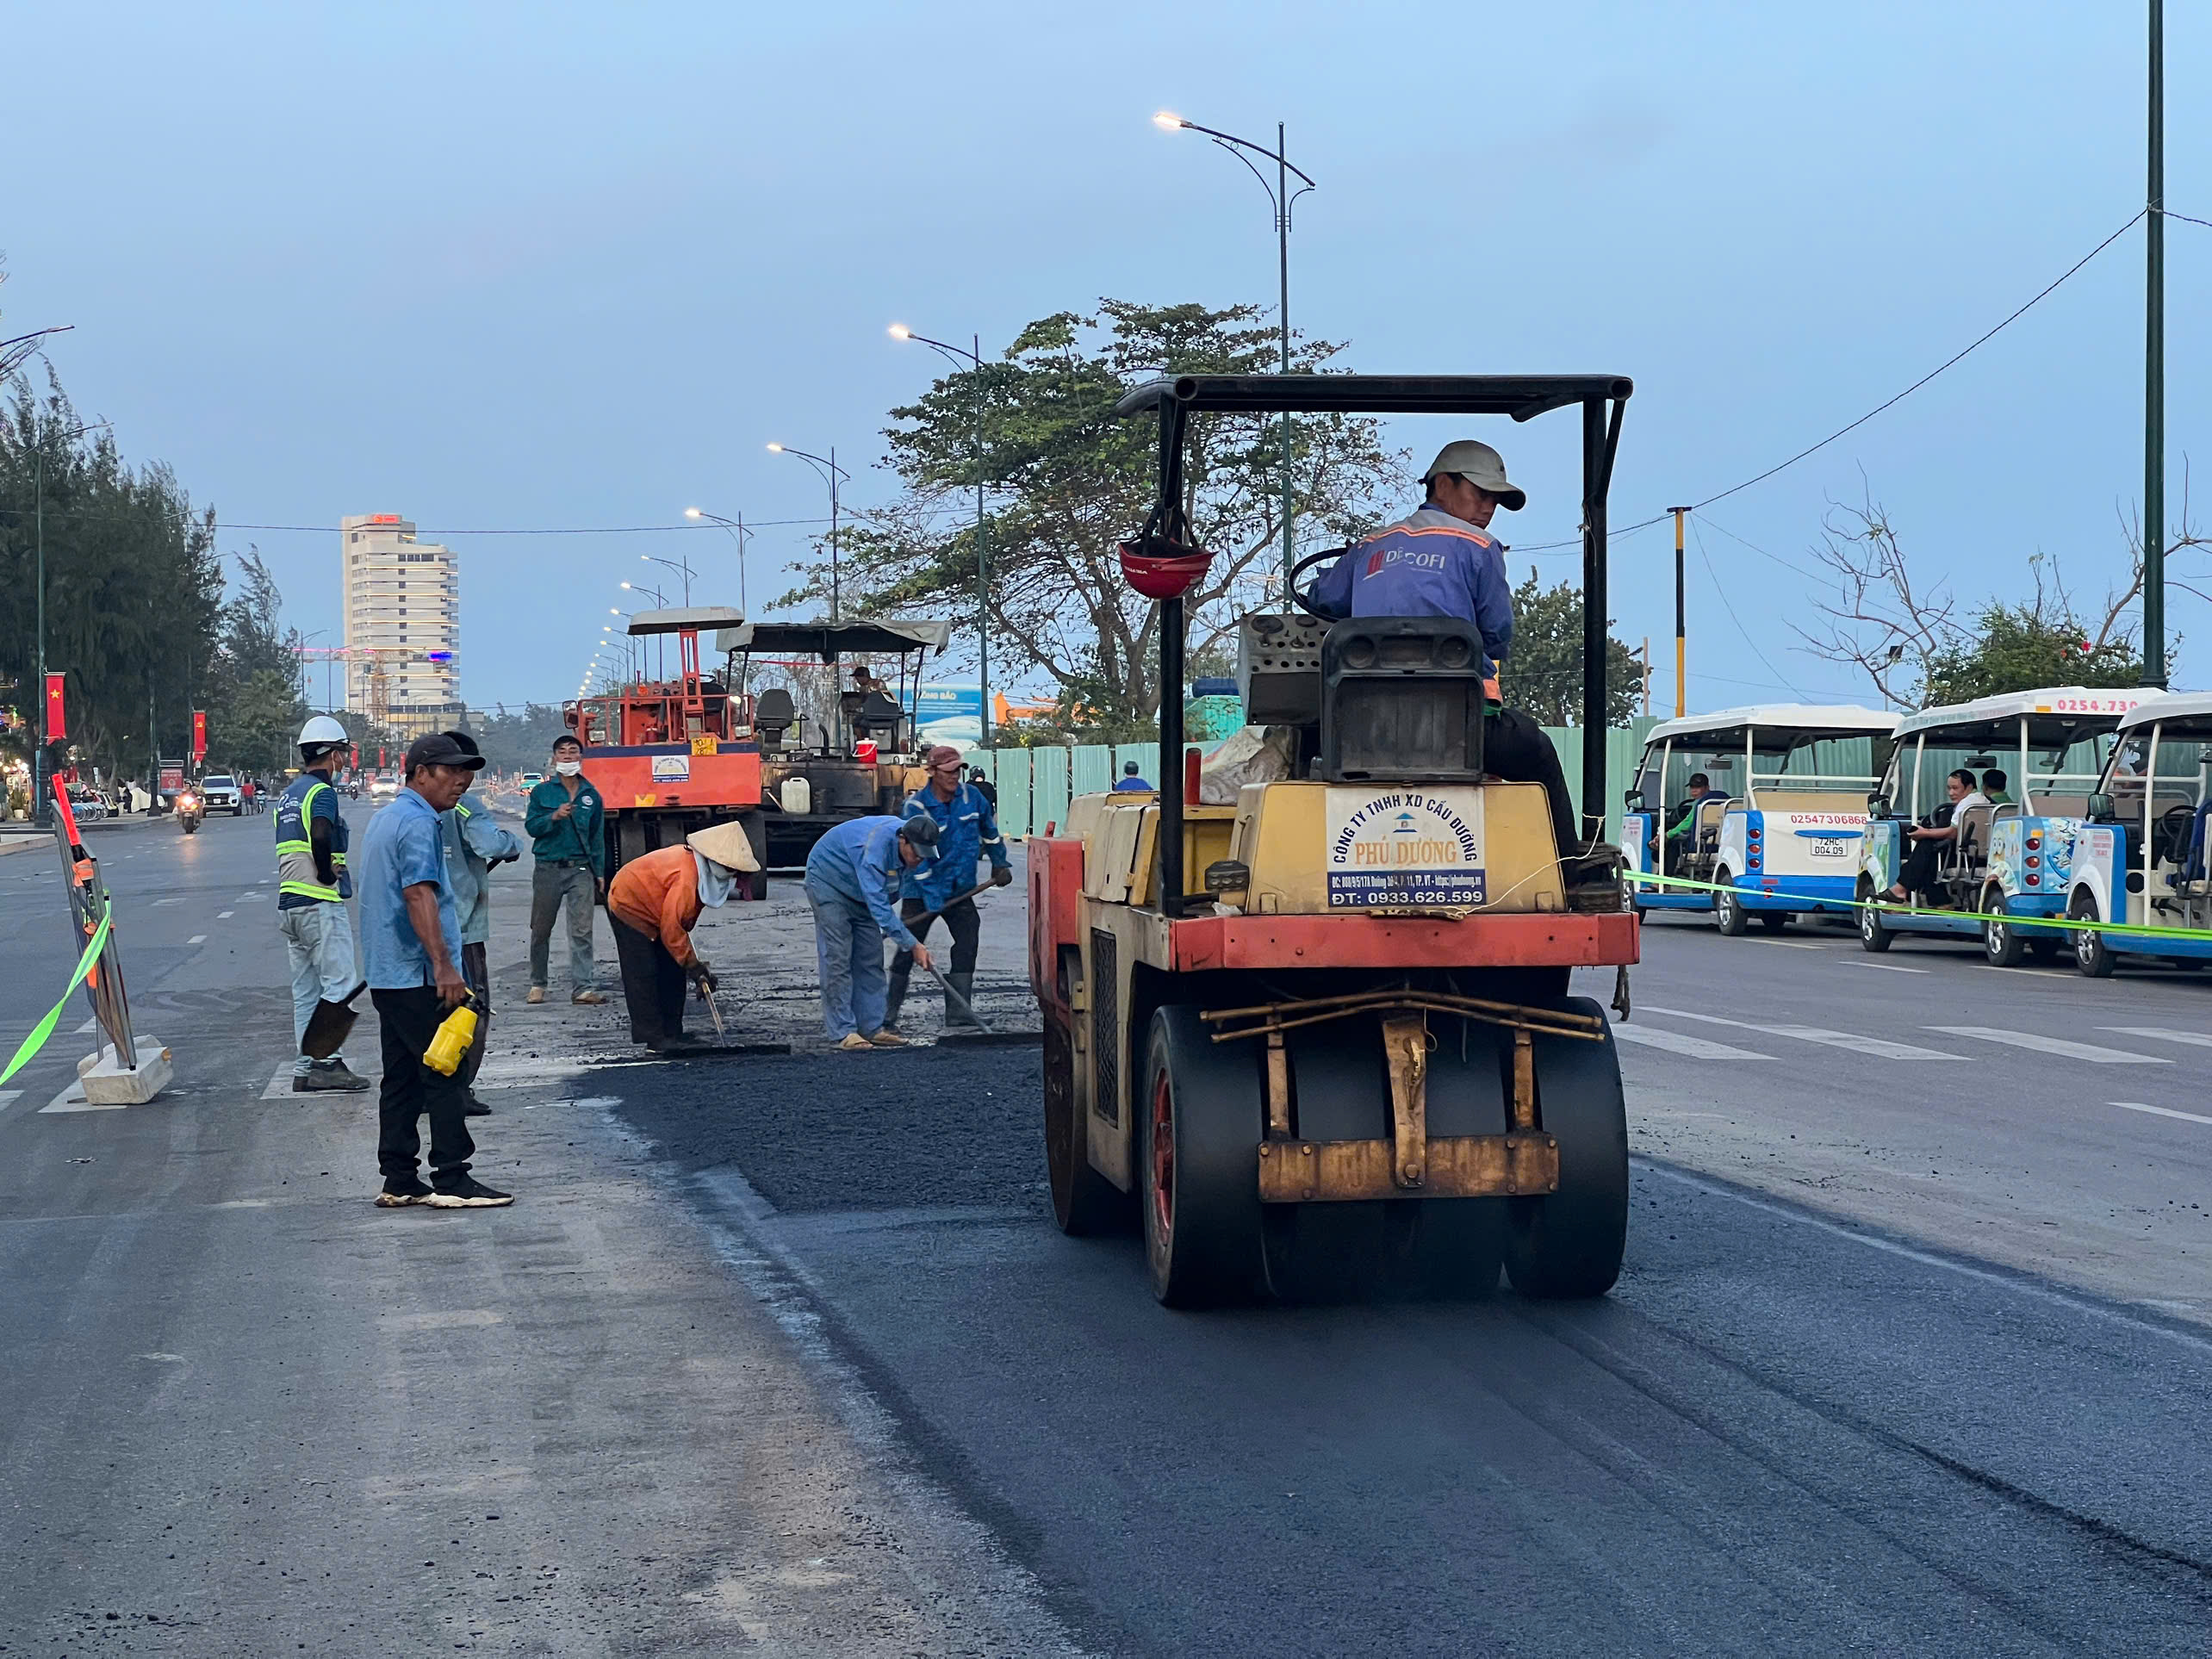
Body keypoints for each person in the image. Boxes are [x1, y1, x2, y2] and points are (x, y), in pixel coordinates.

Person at [1306, 438, 1606, 890]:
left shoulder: (1372, 546)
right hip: (1460, 733)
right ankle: (1568, 872)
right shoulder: (1481, 547)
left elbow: (1322, 598)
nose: (1488, 508)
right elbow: (1498, 637)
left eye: (1495, 501)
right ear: (1442, 484)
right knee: (1538, 752)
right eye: (1480, 494)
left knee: (1301, 739)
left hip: (1364, 733)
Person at [353, 732, 509, 1208]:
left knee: (400, 1078)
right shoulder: (419, 824)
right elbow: (418, 894)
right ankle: (452, 1178)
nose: (461, 780)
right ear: (421, 773)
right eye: (451, 770)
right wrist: (445, 968)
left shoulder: (388, 818)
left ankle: (399, 1178)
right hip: (417, 973)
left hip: (389, 974)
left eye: (467, 772)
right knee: (446, 1070)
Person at [884, 746, 1012, 1035]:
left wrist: (1000, 863)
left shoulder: (972, 798)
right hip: (921, 890)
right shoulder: (916, 808)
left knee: (967, 941)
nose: (956, 776)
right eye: (949, 771)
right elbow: (916, 860)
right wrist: (932, 896)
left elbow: (989, 834)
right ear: (932, 772)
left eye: (958, 770)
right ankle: (887, 1015)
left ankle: (958, 1014)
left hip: (960, 887)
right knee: (908, 947)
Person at [606, 821, 760, 1053]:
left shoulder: (698, 870)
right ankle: (654, 1039)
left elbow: (679, 926)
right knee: (643, 972)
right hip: (628, 903)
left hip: (653, 906)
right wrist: (694, 966)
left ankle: (672, 1032)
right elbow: (672, 929)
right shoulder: (686, 877)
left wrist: (690, 966)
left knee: (673, 970)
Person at [275, 715, 368, 1094]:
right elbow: (320, 834)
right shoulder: (322, 792)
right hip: (318, 902)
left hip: (291, 903)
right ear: (333, 755)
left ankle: (306, 1068)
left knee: (306, 992)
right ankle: (326, 1063)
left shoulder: (288, 795)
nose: (344, 761)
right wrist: (329, 876)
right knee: (340, 985)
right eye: (342, 753)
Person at [438, 730, 523, 1115]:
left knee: (432, 1010)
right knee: (471, 1009)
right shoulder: (465, 806)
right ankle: (458, 1088)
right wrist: (512, 843)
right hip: (463, 930)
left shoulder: (418, 807)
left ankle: (431, 1087)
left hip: (422, 930)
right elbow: (492, 845)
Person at [804, 813, 940, 1051]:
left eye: (923, 855)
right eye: (915, 853)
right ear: (902, 840)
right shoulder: (873, 849)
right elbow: (879, 906)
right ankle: (843, 1031)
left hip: (861, 892)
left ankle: (871, 1027)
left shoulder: (910, 850)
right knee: (838, 958)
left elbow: (890, 893)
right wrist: (912, 944)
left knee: (870, 956)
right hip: (829, 882)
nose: (918, 859)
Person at [524, 734, 608, 1006]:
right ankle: (538, 984)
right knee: (541, 929)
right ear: (554, 758)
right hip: (548, 868)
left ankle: (583, 988)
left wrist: (600, 872)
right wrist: (553, 816)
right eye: (563, 752)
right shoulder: (542, 793)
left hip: (580, 869)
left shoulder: (591, 795)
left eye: (573, 751)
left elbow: (597, 837)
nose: (568, 756)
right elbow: (532, 827)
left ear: (581, 758)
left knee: (582, 930)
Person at [1885, 768, 1988, 904]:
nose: (1951, 793)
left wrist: (1924, 833)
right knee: (1928, 856)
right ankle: (1936, 900)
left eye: (1955, 788)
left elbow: (1953, 833)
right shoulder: (1983, 800)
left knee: (1927, 848)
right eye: (1949, 788)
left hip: (1967, 858)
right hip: (1980, 856)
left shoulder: (1967, 805)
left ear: (1969, 787)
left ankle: (1902, 890)